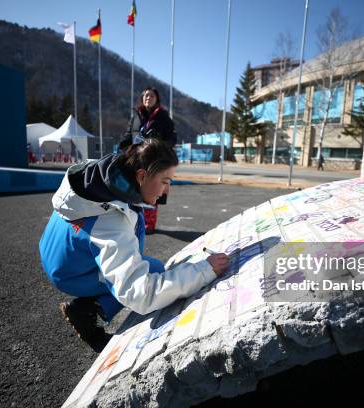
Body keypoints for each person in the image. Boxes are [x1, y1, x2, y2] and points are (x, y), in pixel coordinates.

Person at [38, 138, 229, 351]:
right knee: (149, 273)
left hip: (55, 250)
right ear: (141, 176)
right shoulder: (110, 222)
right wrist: (204, 270)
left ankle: (88, 302)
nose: (167, 191)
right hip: (69, 272)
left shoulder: (104, 175)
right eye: (165, 181)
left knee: (150, 266)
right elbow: (140, 293)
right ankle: (85, 312)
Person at [120, 87, 176, 234]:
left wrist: (160, 143)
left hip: (155, 160)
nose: (148, 98)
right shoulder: (136, 115)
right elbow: (128, 134)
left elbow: (172, 138)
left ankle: (148, 225)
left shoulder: (163, 117)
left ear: (157, 99)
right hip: (137, 158)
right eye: (145, 96)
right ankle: (133, 221)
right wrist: (123, 147)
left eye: (151, 96)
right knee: (134, 189)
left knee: (153, 191)